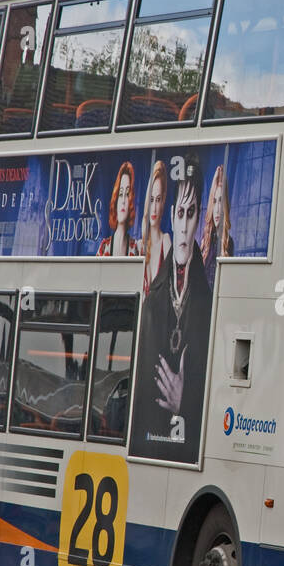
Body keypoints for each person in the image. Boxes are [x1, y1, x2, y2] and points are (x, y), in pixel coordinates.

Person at [129, 152, 211, 464]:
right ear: (173, 216)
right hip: (148, 451)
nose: (185, 224)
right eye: (181, 213)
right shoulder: (152, 302)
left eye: (193, 214)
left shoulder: (210, 303)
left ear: (197, 218)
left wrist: (185, 402)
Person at [140, 160, 172, 296]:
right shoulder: (139, 245)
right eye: (151, 200)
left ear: (163, 201)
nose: (154, 208)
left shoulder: (166, 242)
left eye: (158, 200)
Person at [200, 163, 233, 288]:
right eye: (214, 201)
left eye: (220, 201)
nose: (217, 208)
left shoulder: (229, 243)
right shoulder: (205, 243)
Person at [96, 161, 140, 257]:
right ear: (115, 199)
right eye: (120, 194)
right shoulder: (104, 246)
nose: (123, 200)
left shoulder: (135, 248)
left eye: (127, 194)